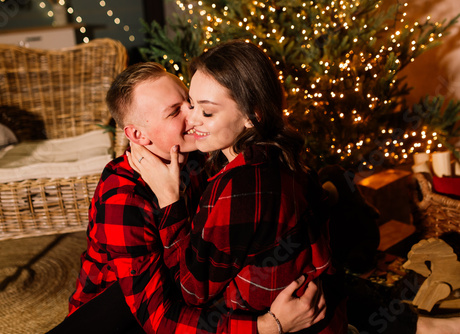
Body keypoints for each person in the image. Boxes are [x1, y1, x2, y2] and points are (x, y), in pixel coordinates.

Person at [62, 61, 328, 334]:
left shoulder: (199, 153)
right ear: (137, 135)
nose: (194, 115)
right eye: (175, 111)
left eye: (188, 100)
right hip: (115, 317)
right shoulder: (123, 198)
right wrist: (268, 326)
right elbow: (160, 320)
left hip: (185, 292)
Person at [127, 40, 347, 333]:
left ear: (251, 115)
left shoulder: (241, 186)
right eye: (191, 104)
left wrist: (170, 200)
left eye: (206, 112)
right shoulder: (275, 155)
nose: (190, 121)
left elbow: (192, 292)